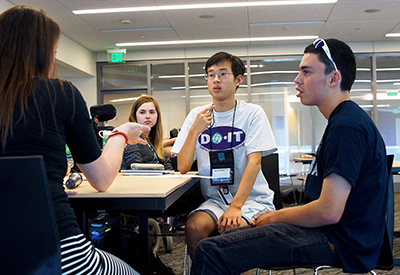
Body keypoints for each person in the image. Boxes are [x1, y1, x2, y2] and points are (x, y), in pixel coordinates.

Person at [190, 39, 388, 275]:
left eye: (306, 72)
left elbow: (328, 211)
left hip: (338, 242)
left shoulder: (347, 126)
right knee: (230, 239)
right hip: (331, 233)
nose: (297, 79)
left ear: (334, 78)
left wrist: (275, 216)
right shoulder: (343, 120)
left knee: (210, 251)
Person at [0, 5, 149, 275]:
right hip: (54, 249)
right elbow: (101, 179)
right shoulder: (60, 92)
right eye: (54, 53)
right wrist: (120, 134)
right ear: (42, 53)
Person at [171, 52, 278, 260]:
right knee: (193, 228)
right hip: (215, 201)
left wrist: (236, 207)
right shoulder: (196, 115)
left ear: (238, 80)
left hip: (251, 201)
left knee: (235, 231)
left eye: (222, 74)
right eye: (210, 75)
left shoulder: (253, 113)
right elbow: (182, 167)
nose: (216, 80)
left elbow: (255, 163)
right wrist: (195, 131)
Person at [120, 95, 173, 171]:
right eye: (142, 112)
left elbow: (168, 168)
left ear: (157, 115)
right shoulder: (132, 138)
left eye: (152, 112)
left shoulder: (153, 140)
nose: (148, 116)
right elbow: (136, 167)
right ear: (135, 116)